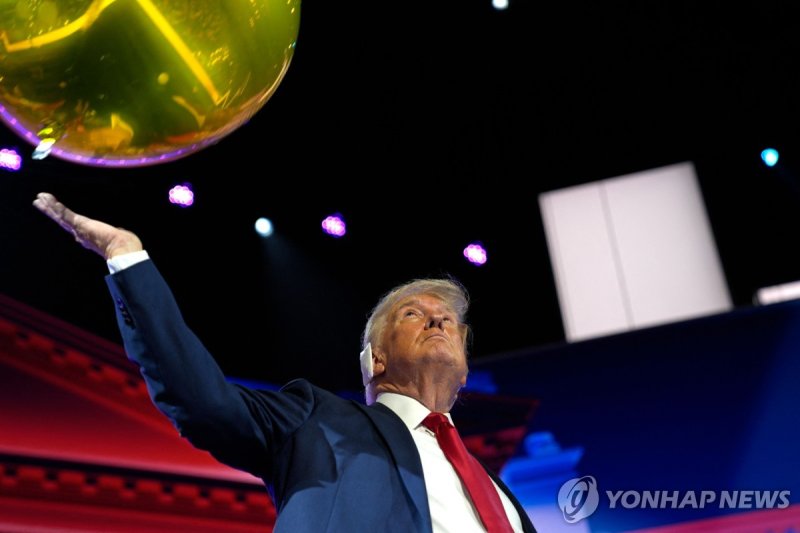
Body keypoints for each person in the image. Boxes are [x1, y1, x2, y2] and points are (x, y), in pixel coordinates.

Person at [33, 192, 537, 533]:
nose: (438, 321)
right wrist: (127, 258)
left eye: (448, 320)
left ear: (465, 370)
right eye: (414, 313)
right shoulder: (317, 421)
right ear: (375, 360)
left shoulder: (501, 494)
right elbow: (203, 401)